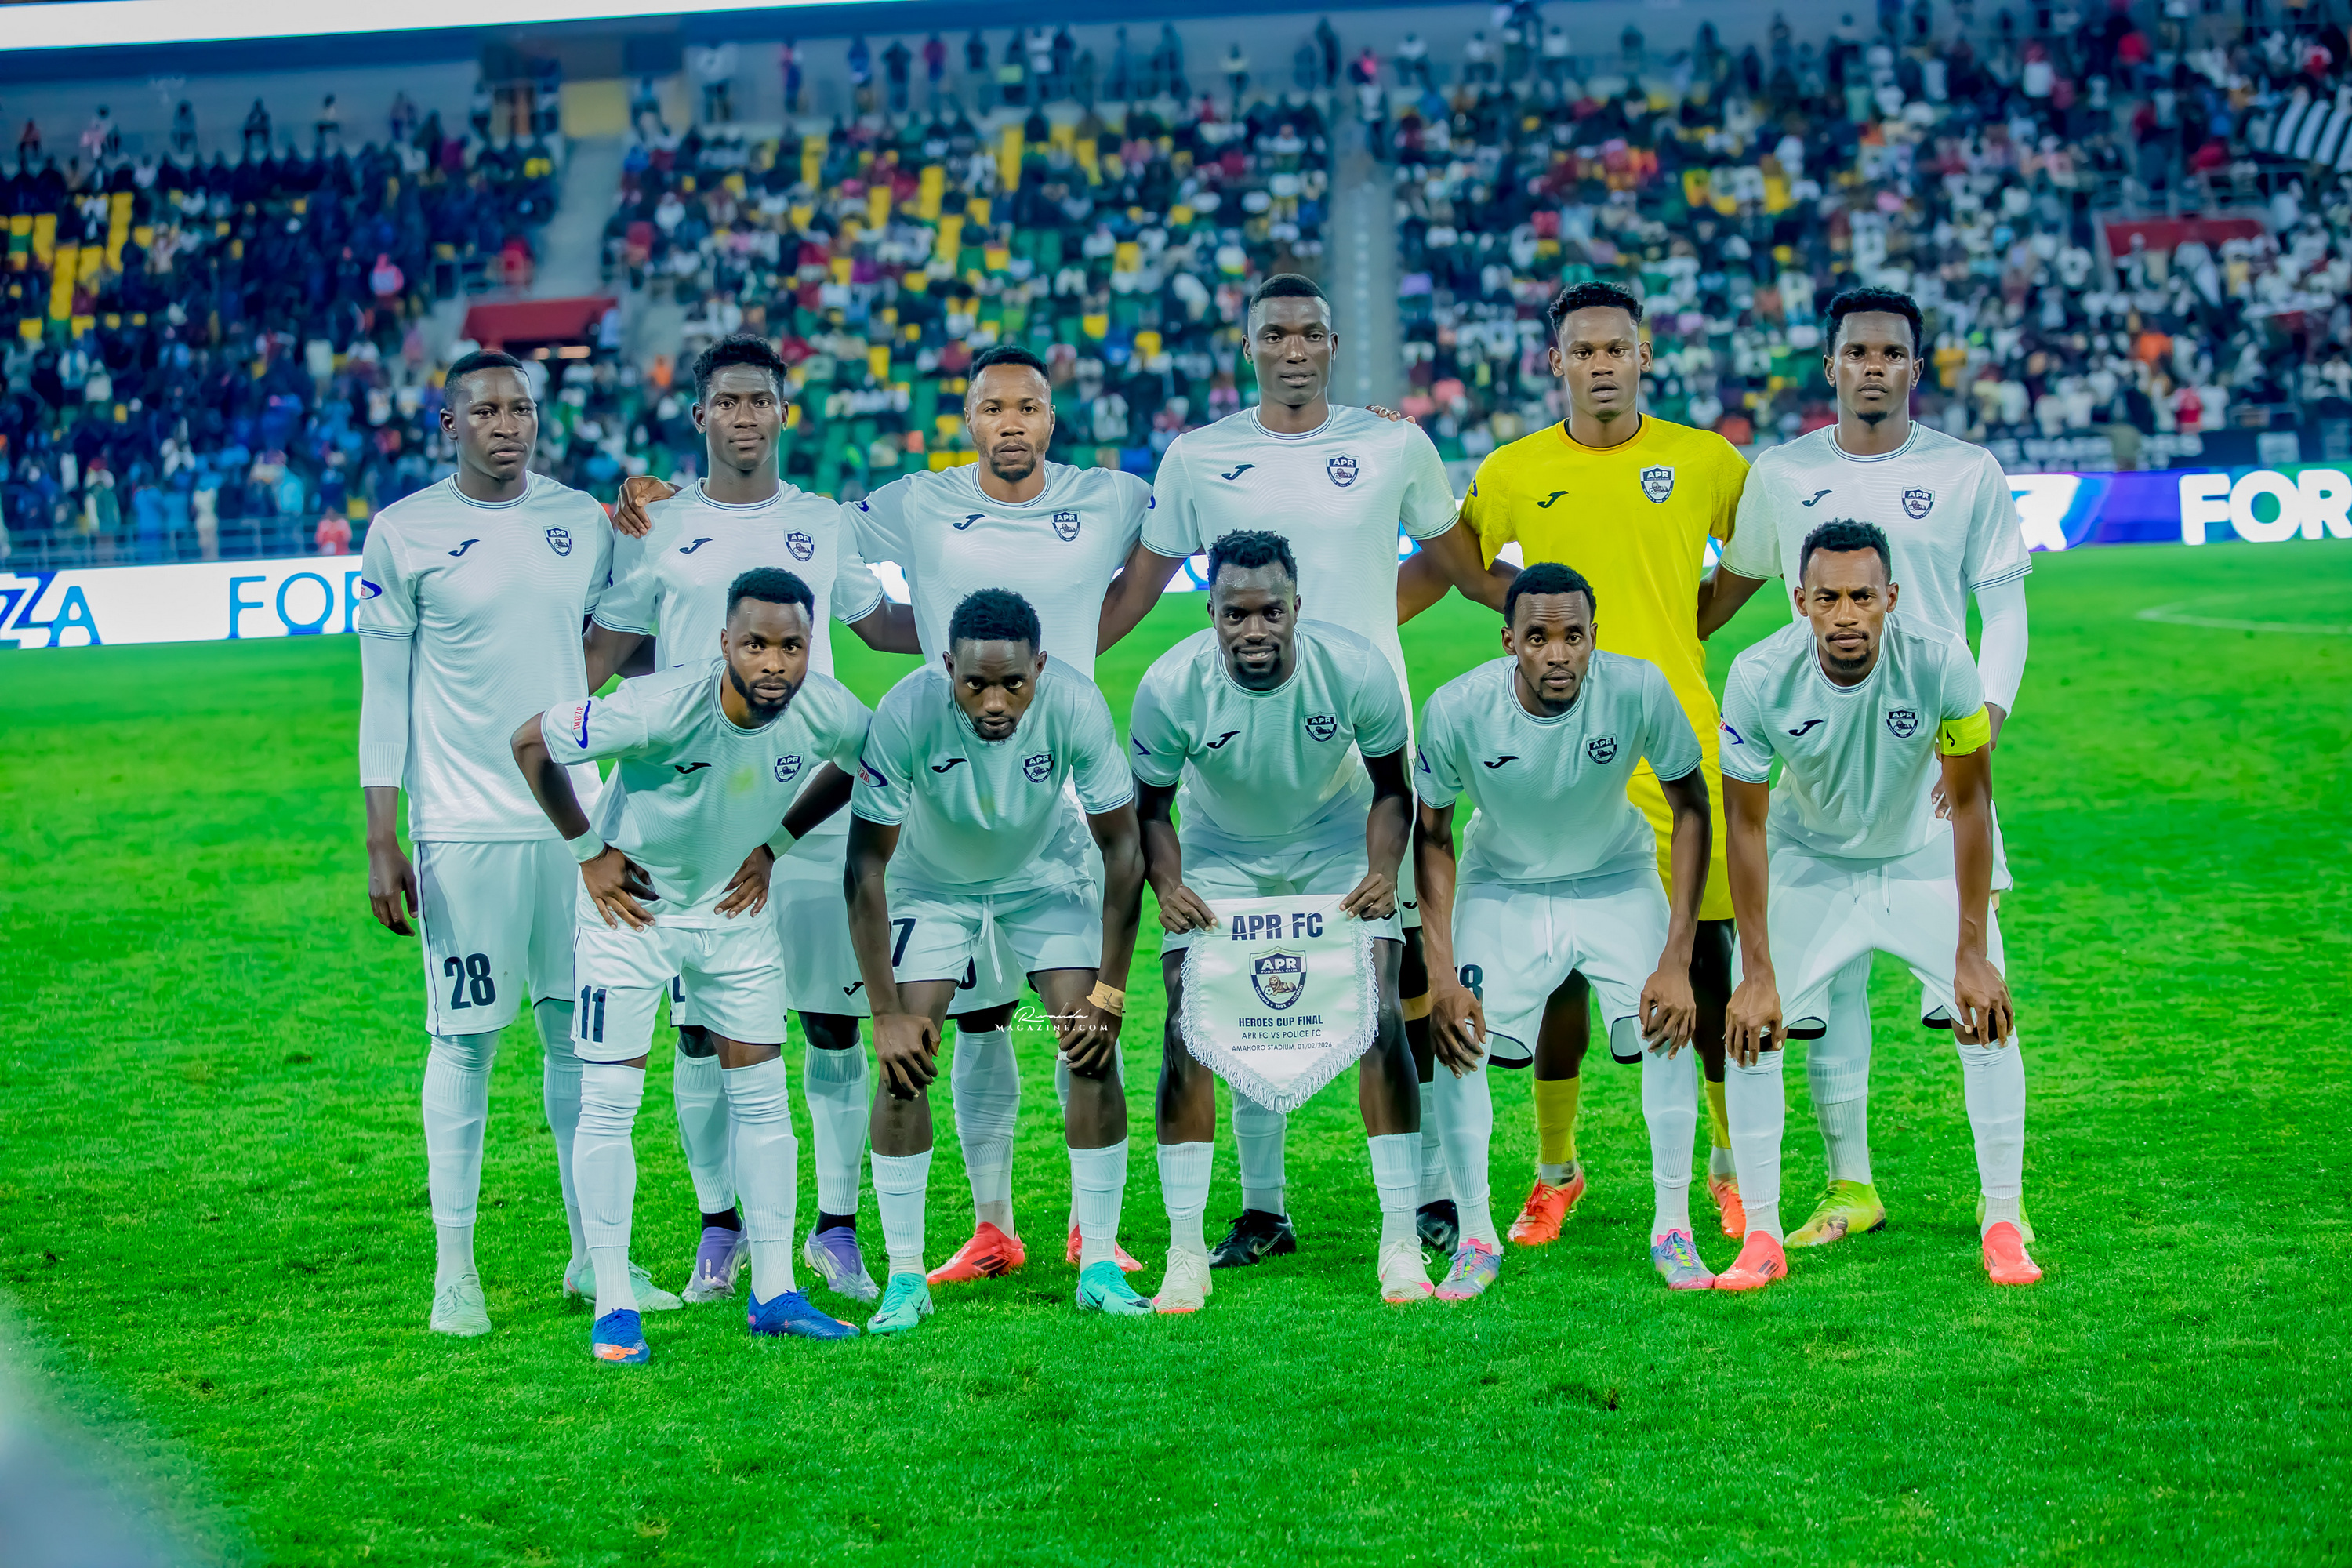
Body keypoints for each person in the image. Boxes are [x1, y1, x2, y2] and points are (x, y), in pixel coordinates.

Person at [617, 343, 1159, 1285]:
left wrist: (1055, 661)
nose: (1011, 423)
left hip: (1055, 791)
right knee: (947, 1017)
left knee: (1042, 1019)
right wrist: (959, 671)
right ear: (969, 417)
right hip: (932, 796)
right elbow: (853, 606)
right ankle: (978, 1227)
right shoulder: (908, 501)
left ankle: (1086, 1231)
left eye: (1028, 407)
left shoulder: (1111, 496)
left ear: (1052, 416)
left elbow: (1196, 520)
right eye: (993, 407)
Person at [1099, 272, 1498, 1268]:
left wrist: (1548, 611)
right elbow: (1137, 592)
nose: (1291, 349)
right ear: (1248, 348)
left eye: (1308, 333)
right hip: (1237, 766)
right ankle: (1262, 1207)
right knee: (1240, 985)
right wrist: (1038, 662)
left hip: (1360, 750)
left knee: (1398, 985)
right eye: (1272, 334)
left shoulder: (1392, 442)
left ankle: (1431, 1194)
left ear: (1332, 344)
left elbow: (1458, 567)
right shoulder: (1199, 456)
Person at [1403, 278, 1751, 1249]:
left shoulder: (1704, 458)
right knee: (1555, 969)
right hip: (1555, 747)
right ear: (1556, 361)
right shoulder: (1515, 468)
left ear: (1645, 356)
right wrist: (1530, 621)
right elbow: (1463, 563)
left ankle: (1726, 1167)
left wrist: (1694, 619)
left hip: (1672, 738)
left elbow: (1759, 548)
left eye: (1618, 348)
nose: (1603, 364)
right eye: (1584, 351)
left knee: (1703, 962)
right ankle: (1556, 1170)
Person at [589, 336, 918, 1310]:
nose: (744, 415)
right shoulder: (656, 523)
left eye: (760, 400)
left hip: (806, 806)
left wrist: (981, 637)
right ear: (700, 415)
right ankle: (719, 1224)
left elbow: (876, 625)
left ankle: (835, 1229)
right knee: (701, 1033)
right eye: (727, 401)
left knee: (832, 1019)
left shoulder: (822, 520)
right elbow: (612, 646)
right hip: (691, 823)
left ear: (783, 411)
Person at [1700, 285, 2031, 1251]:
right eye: (1857, 352)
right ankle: (1851, 1185)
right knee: (1824, 994)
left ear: (1915, 367)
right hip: (1819, 764)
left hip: (1933, 762)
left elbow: (2005, 612)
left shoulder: (1967, 470)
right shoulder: (1783, 471)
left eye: (1891, 352)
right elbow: (1729, 593)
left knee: (1976, 993)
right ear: (1831, 365)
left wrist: (1983, 724)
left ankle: (2003, 1208)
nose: (1873, 366)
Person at [355, 349, 673, 1337]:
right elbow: (383, 692)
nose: (508, 424)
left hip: (578, 824)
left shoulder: (580, 519)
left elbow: (632, 628)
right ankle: (455, 1271)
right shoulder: (403, 531)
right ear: (449, 424)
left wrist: (652, 520)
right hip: (462, 828)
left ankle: (593, 1256)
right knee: (465, 1041)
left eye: (522, 409)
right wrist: (380, 832)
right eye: (487, 410)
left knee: (580, 1041)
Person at [511, 568, 873, 1361]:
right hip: (629, 916)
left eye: (792, 645)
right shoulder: (658, 704)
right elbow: (530, 740)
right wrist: (587, 850)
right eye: (756, 644)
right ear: (724, 643)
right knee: (611, 1101)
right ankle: (614, 1305)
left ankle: (775, 1292)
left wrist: (775, 843)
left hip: (734, 917)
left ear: (811, 645)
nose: (774, 662)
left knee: (764, 1100)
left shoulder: (827, 708)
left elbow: (863, 760)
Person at [1713, 518, 2036, 1292]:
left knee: (1987, 1014)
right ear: (1800, 601)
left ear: (1890, 596)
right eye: (1827, 597)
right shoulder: (1758, 676)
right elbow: (1745, 826)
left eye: (1862, 596)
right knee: (1751, 1029)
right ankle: (1761, 1236)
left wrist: (1970, 950)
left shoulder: (1942, 661)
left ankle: (2003, 1218)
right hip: (1810, 861)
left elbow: (1969, 802)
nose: (1846, 614)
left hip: (1920, 854)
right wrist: (1756, 970)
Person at [1130, 530, 1425, 1310]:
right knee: (1191, 1025)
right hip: (1221, 851)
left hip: (1337, 843)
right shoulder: (1170, 686)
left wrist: (1382, 870)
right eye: (1235, 614)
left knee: (1381, 1013)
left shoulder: (1356, 669)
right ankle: (1187, 1251)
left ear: (1298, 606)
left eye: (1271, 611)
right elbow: (1150, 811)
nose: (1254, 629)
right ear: (1211, 612)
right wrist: (1168, 883)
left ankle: (1400, 1241)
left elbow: (1394, 790)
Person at [844, 589, 1149, 1331]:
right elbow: (864, 866)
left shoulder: (1074, 704)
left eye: (1013, 683)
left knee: (1089, 1046)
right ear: (947, 665)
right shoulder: (906, 712)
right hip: (933, 884)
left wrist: (1110, 992)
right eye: (974, 683)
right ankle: (905, 1279)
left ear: (1039, 666)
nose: (993, 702)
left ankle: (1100, 1265)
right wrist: (884, 1015)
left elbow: (1123, 848)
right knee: (905, 1061)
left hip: (1046, 876)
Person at [1414, 564, 1716, 1294]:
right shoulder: (1458, 709)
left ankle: (1674, 1229)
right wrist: (1442, 975)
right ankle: (1476, 1239)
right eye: (1538, 638)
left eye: (1574, 637)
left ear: (1593, 637)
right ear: (1509, 641)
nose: (1558, 654)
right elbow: (1432, 836)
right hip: (1503, 885)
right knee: (1460, 1040)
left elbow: (1693, 809)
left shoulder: (1638, 688)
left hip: (1616, 878)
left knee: (1668, 1025)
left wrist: (1677, 958)